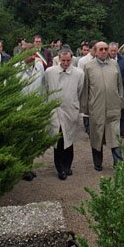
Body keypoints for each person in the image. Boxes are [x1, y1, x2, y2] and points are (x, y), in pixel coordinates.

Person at [81, 41, 124, 171]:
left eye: (106, 49)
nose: (104, 51)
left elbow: (119, 85)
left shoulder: (114, 64)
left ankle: (119, 163)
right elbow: (85, 88)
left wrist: (120, 101)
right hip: (96, 108)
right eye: (101, 49)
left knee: (115, 137)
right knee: (97, 137)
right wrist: (85, 108)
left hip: (113, 107)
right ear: (95, 51)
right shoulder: (89, 67)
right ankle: (97, 163)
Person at [44, 48, 85, 180]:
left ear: (71, 59)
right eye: (63, 61)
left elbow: (80, 90)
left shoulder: (79, 73)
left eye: (68, 61)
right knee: (58, 139)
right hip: (55, 110)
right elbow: (46, 89)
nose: (66, 63)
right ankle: (60, 168)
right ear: (59, 59)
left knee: (69, 139)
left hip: (70, 110)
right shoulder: (50, 72)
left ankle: (68, 166)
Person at [109, 42, 124, 138]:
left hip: (122, 88)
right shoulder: (105, 60)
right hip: (110, 89)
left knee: (122, 110)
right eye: (111, 51)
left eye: (114, 50)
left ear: (117, 50)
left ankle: (123, 129)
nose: (113, 52)